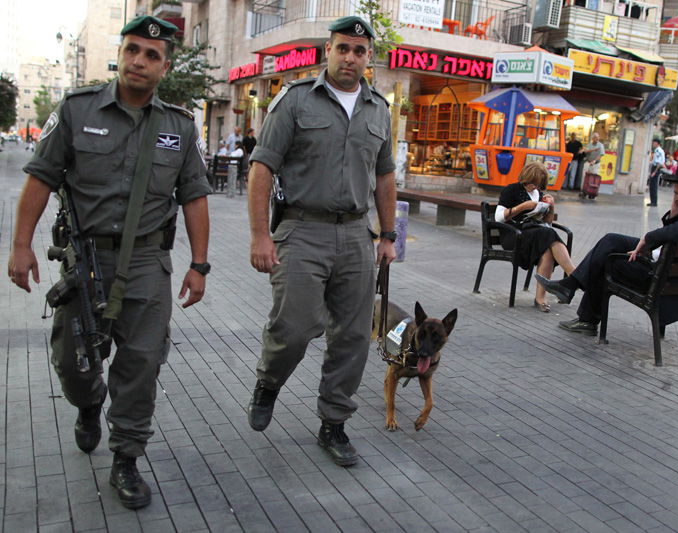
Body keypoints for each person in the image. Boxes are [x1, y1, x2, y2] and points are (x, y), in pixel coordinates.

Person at [7, 16, 212, 509]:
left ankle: (126, 456)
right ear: (120, 54)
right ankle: (88, 401)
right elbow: (39, 177)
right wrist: (20, 245)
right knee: (72, 364)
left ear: (164, 66)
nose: (140, 60)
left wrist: (199, 265)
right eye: (133, 50)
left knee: (140, 365)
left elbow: (196, 197)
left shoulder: (179, 127)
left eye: (152, 55)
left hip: (146, 262)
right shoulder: (77, 110)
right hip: (85, 258)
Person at [245, 15, 396, 467]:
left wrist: (388, 236)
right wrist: (259, 236)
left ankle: (334, 423)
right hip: (301, 229)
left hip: (355, 233)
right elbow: (261, 168)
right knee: (293, 327)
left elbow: (385, 176)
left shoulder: (379, 110)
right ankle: (269, 382)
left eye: (359, 50)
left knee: (352, 336)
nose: (350, 57)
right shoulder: (293, 102)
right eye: (342, 48)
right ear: (326, 51)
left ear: (369, 58)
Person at [536, 159, 678, 336]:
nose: (674, 198)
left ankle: (585, 316)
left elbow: (676, 234)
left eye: (676, 193)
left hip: (665, 281)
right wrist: (672, 217)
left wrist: (648, 238)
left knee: (607, 262)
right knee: (612, 241)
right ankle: (571, 286)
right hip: (666, 269)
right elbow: (677, 236)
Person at [495, 161, 576, 312]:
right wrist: (522, 207)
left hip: (535, 235)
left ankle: (540, 298)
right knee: (547, 236)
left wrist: (551, 207)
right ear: (527, 178)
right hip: (514, 235)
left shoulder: (539, 194)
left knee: (547, 248)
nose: (535, 187)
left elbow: (547, 223)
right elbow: (498, 218)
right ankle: (575, 276)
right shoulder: (511, 190)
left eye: (538, 185)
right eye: (533, 183)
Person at [648, 138, 665, 206]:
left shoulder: (658, 151)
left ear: (657, 143)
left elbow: (659, 163)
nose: (653, 144)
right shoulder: (658, 150)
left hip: (656, 168)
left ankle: (654, 202)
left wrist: (654, 172)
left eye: (654, 143)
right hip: (655, 167)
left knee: (653, 185)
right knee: (652, 185)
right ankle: (653, 201)